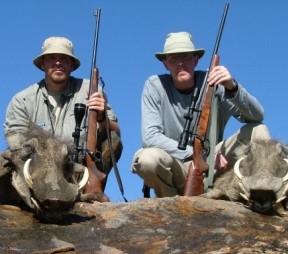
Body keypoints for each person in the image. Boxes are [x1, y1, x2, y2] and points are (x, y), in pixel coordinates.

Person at [131, 31, 270, 198]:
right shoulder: (155, 85)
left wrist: (232, 87)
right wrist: (199, 155)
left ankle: (264, 195)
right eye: (173, 58)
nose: (180, 64)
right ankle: (169, 203)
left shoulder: (213, 82)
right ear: (165, 64)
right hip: (176, 166)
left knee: (258, 130)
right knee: (147, 159)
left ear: (196, 60)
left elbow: (257, 116)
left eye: (186, 57)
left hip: (215, 167)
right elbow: (150, 137)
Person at [4, 36, 122, 201]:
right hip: (39, 171)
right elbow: (16, 144)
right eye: (51, 58)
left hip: (77, 167)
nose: (58, 63)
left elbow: (115, 132)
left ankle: (92, 188)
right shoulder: (22, 100)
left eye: (64, 59)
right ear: (43, 64)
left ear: (71, 65)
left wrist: (102, 117)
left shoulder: (90, 90)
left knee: (113, 140)